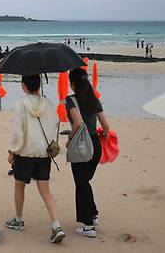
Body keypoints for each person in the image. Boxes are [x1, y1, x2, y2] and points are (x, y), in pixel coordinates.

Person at [6, 74, 65, 244]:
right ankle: (56, 225)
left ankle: (18, 219)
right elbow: (55, 124)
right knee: (45, 191)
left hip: (25, 153)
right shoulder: (49, 103)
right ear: (39, 84)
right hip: (44, 153)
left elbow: (18, 132)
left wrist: (12, 151)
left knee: (19, 186)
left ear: (24, 85)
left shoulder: (19, 105)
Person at [65, 68, 110, 238]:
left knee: (81, 183)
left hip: (81, 146)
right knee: (84, 182)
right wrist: (104, 134)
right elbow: (105, 126)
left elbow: (77, 123)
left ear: (73, 83)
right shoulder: (94, 99)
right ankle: (93, 214)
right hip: (95, 146)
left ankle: (88, 226)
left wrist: (69, 139)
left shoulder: (70, 100)